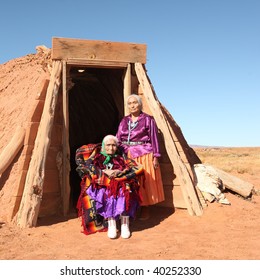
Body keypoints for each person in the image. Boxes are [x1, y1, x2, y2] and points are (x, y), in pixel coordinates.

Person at [76, 135, 142, 239]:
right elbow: (92, 169)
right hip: (103, 183)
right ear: (103, 146)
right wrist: (105, 173)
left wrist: (120, 173)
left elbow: (130, 168)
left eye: (114, 145)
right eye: (108, 145)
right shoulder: (98, 157)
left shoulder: (120, 158)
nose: (111, 148)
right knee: (108, 194)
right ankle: (112, 224)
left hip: (119, 182)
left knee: (124, 192)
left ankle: (125, 224)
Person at [116, 94, 165, 220]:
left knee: (145, 181)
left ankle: (145, 208)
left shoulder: (148, 119)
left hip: (144, 153)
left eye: (135, 103)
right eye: (130, 103)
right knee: (129, 182)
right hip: (128, 154)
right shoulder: (124, 121)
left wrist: (156, 156)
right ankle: (131, 207)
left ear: (140, 104)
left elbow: (154, 138)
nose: (132, 105)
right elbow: (118, 138)